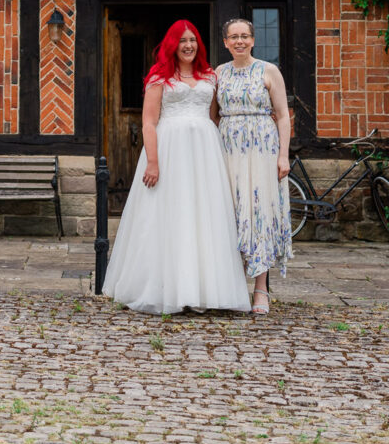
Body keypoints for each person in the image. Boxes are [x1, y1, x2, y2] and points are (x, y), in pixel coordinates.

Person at [102, 20, 251, 315]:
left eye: (193, 40)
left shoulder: (210, 76)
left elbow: (214, 116)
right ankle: (162, 286)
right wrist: (154, 161)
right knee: (168, 214)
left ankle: (203, 290)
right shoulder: (160, 77)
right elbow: (148, 121)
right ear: (172, 44)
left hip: (204, 152)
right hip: (169, 149)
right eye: (182, 41)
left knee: (202, 217)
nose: (188, 45)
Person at [212, 17, 292, 315]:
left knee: (258, 212)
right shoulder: (219, 73)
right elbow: (213, 115)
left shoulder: (269, 71)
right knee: (231, 213)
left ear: (253, 40)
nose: (240, 41)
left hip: (262, 149)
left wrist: (283, 155)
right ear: (225, 42)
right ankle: (230, 285)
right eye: (234, 37)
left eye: (245, 36)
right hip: (229, 149)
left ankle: (260, 289)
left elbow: (283, 116)